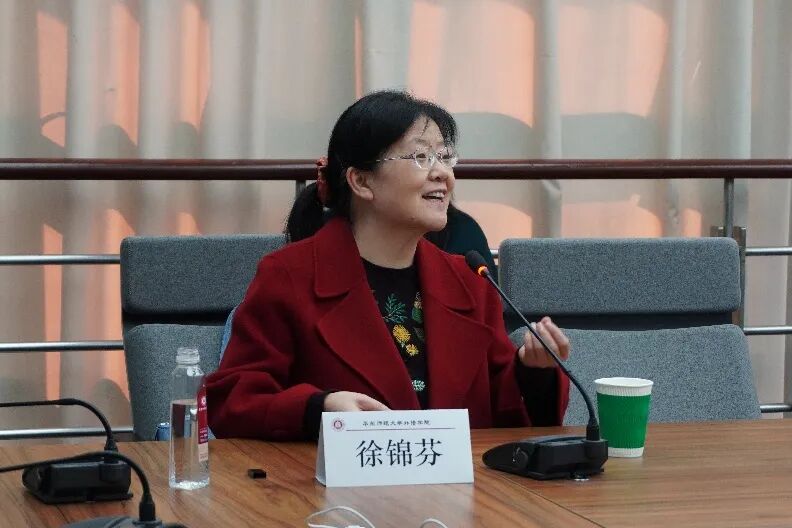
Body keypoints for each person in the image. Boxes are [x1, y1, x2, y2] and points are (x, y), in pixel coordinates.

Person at [206, 90, 571, 441]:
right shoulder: (289, 275)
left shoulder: (471, 281)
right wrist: (319, 409)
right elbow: (233, 400)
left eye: (445, 157)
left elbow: (502, 414)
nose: (443, 174)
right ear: (361, 181)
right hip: (333, 483)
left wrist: (533, 370)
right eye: (421, 157)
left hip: (454, 483)